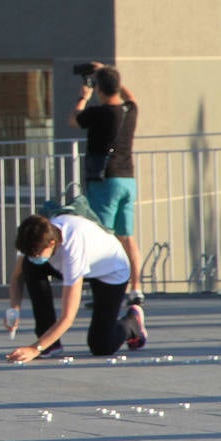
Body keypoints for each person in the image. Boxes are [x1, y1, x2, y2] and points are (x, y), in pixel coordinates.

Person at [4, 212, 148, 362]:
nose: (35, 257)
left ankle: (132, 323)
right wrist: (14, 310)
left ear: (52, 243)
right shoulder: (34, 236)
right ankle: (50, 343)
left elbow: (68, 317)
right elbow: (17, 277)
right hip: (84, 262)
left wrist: (35, 349)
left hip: (111, 272)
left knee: (101, 345)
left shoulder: (73, 250)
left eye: (38, 255)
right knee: (30, 266)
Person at [72, 63, 143, 303]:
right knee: (127, 236)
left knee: (104, 236)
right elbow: (131, 96)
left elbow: (75, 119)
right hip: (127, 180)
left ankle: (108, 292)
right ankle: (136, 288)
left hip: (105, 181)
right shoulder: (129, 111)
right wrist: (107, 73)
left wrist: (83, 97)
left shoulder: (99, 113)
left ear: (99, 89)